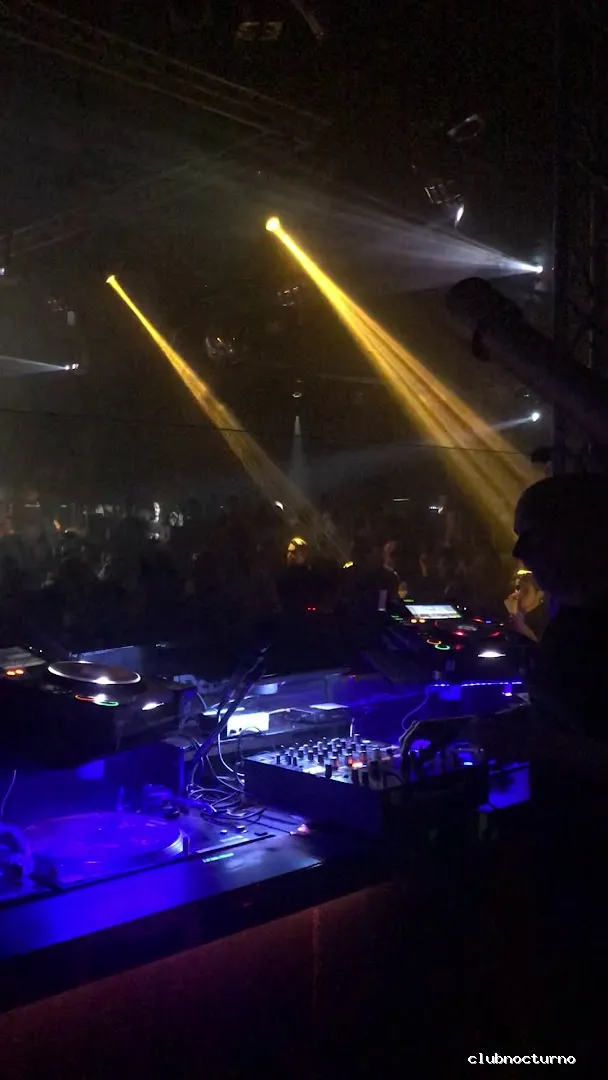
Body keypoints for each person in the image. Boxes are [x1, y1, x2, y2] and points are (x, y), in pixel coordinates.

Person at [504, 569, 549, 643]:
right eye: (518, 588)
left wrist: (515, 616)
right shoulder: (521, 615)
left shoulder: (544, 619)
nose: (518, 594)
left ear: (540, 594)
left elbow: (535, 643)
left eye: (525, 591)